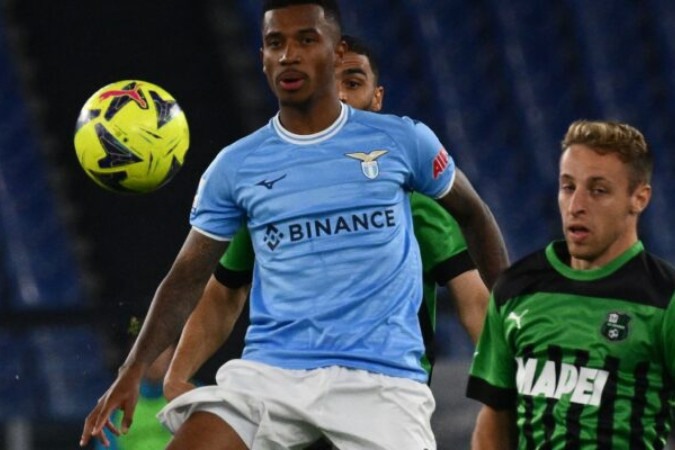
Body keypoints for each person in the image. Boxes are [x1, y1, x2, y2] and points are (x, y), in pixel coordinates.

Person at [80, 1, 508, 448]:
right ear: (262, 57)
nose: (289, 55)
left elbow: (474, 215)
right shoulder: (236, 167)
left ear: (335, 50)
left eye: (305, 40)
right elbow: (191, 277)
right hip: (272, 375)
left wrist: (513, 322)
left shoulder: (404, 142)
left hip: (379, 381)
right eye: (274, 43)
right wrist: (133, 370)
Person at [162, 33, 489, 406]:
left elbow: (474, 301)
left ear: (377, 99)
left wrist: (506, 391)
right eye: (329, 85)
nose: (341, 97)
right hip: (290, 397)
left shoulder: (417, 204)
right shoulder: (268, 195)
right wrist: (177, 375)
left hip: (382, 399)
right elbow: (224, 293)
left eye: (353, 83)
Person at [466, 120, 675, 449]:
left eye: (598, 190)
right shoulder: (516, 289)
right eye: (568, 186)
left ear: (639, 198)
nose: (577, 205)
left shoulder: (665, 299)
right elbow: (494, 418)